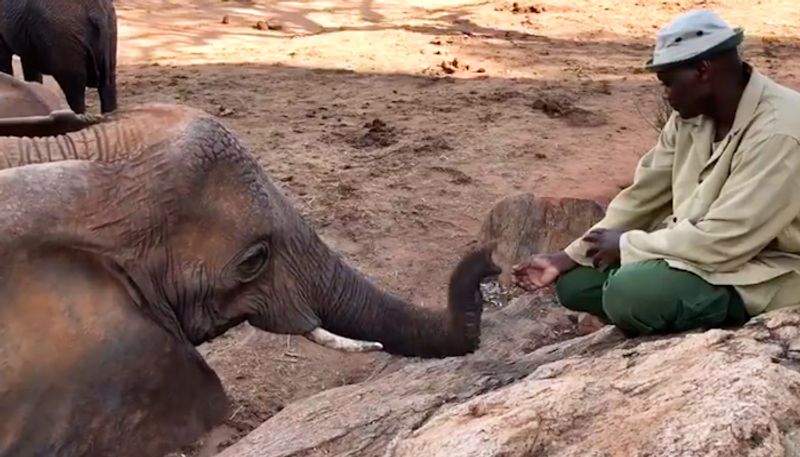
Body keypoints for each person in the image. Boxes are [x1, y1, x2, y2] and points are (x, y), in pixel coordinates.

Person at [512, 9, 800, 337]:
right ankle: (671, 300)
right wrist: (570, 255)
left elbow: (727, 239)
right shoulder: (690, 119)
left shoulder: (780, 131)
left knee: (629, 293)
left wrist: (630, 245)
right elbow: (643, 197)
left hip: (769, 269)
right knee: (575, 284)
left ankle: (713, 313)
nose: (667, 95)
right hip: (698, 251)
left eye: (669, 83)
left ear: (703, 70)